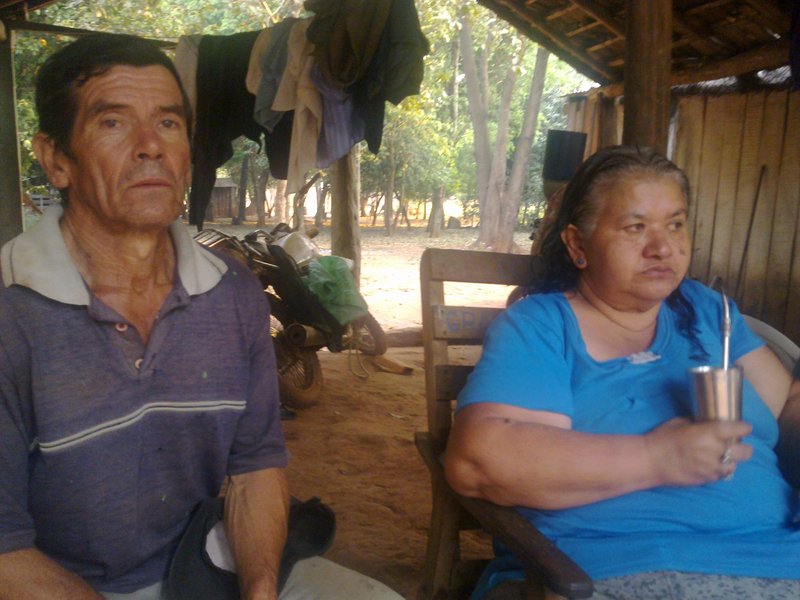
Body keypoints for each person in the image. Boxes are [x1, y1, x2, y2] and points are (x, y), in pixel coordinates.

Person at [0, 33, 401, 600]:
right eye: (113, 122)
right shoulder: (11, 312)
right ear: (55, 159)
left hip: (205, 562)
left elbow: (254, 469)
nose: (150, 146)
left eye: (168, 123)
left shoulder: (232, 292)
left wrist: (259, 591)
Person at [444, 145, 800, 599]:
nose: (663, 247)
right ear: (578, 245)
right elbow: (479, 460)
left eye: (675, 224)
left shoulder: (712, 313)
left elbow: (787, 404)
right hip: (621, 568)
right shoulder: (543, 326)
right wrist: (656, 458)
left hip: (783, 558)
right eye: (636, 227)